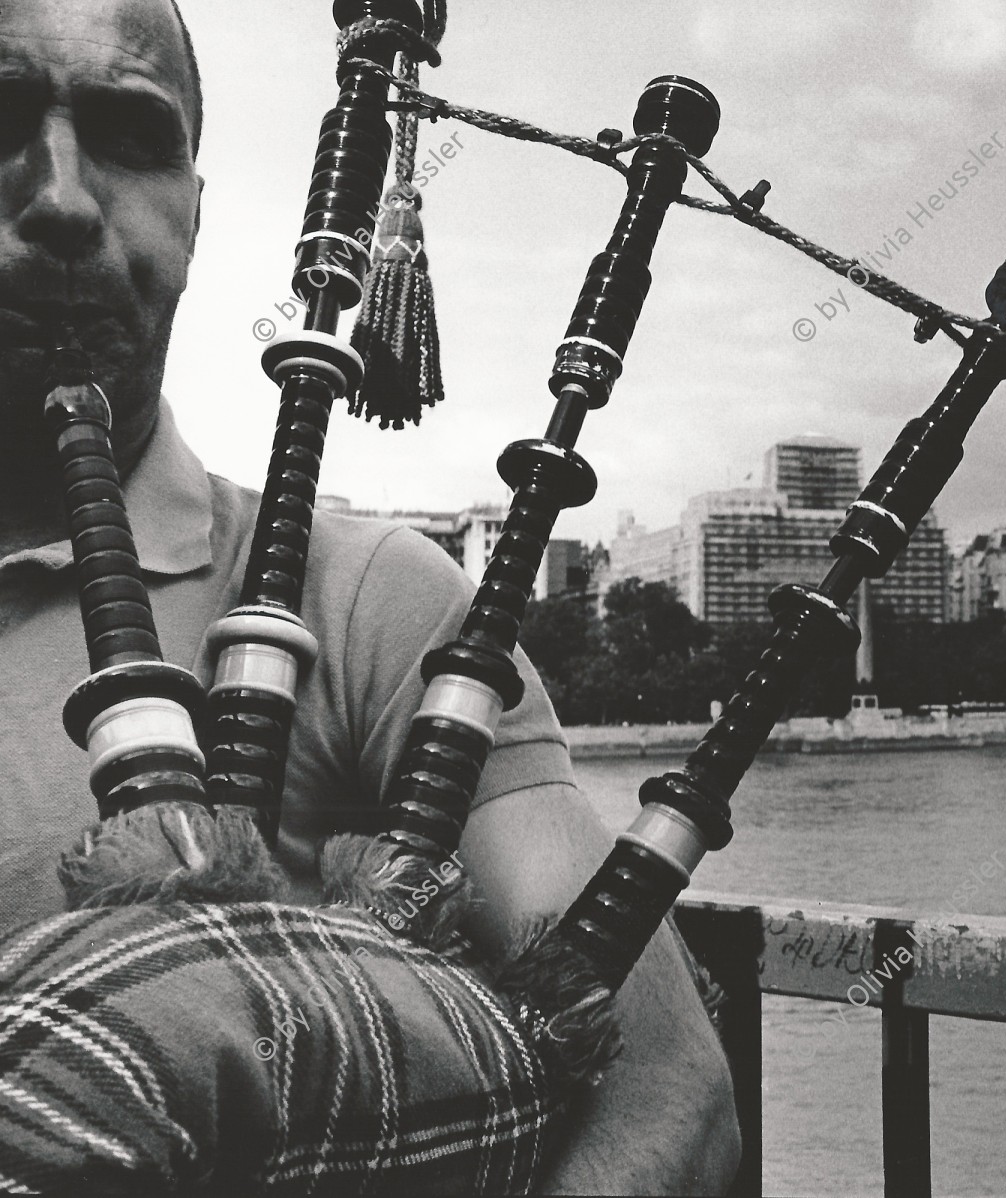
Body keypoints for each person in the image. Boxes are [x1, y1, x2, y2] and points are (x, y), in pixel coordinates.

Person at [0, 0, 741, 1192]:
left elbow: (668, 1098)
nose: (65, 199)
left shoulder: (371, 602)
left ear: (196, 207)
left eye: (132, 134)